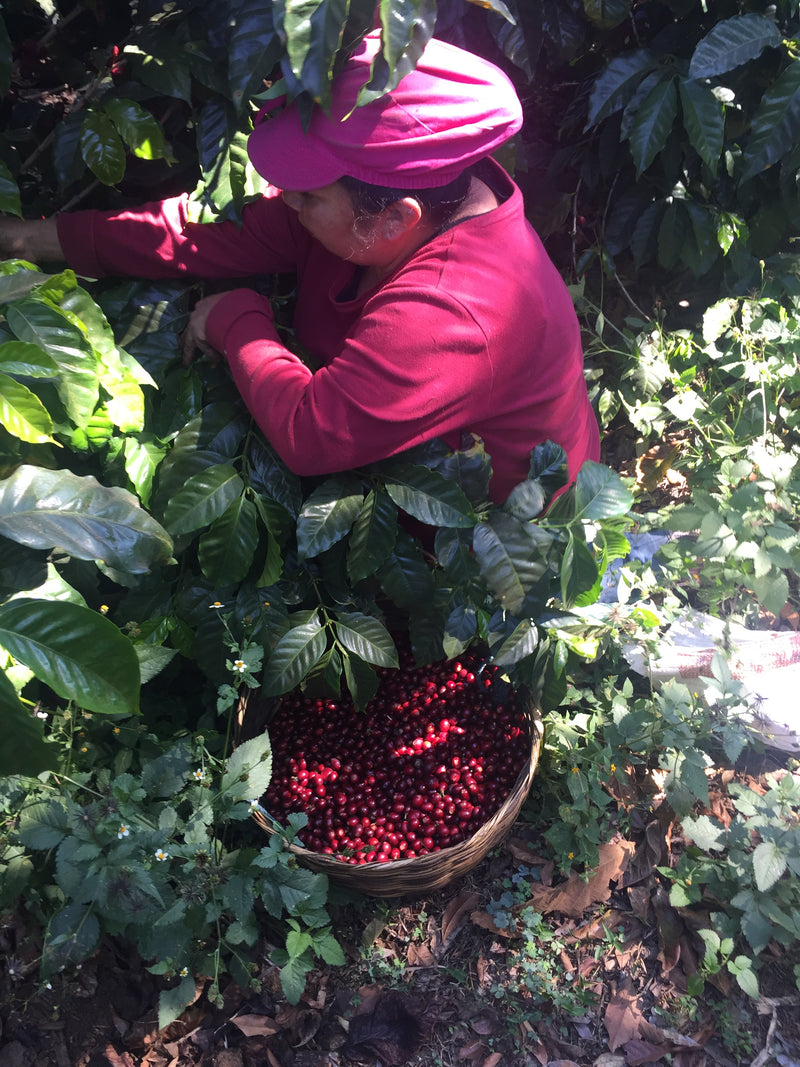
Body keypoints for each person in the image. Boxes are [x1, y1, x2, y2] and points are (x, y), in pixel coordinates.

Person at [0, 31, 600, 504]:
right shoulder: (393, 198)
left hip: (493, 534)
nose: (285, 197)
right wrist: (26, 240)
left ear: (395, 219)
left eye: (307, 193)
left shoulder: (457, 315)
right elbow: (206, 233)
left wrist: (235, 318)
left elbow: (314, 433)